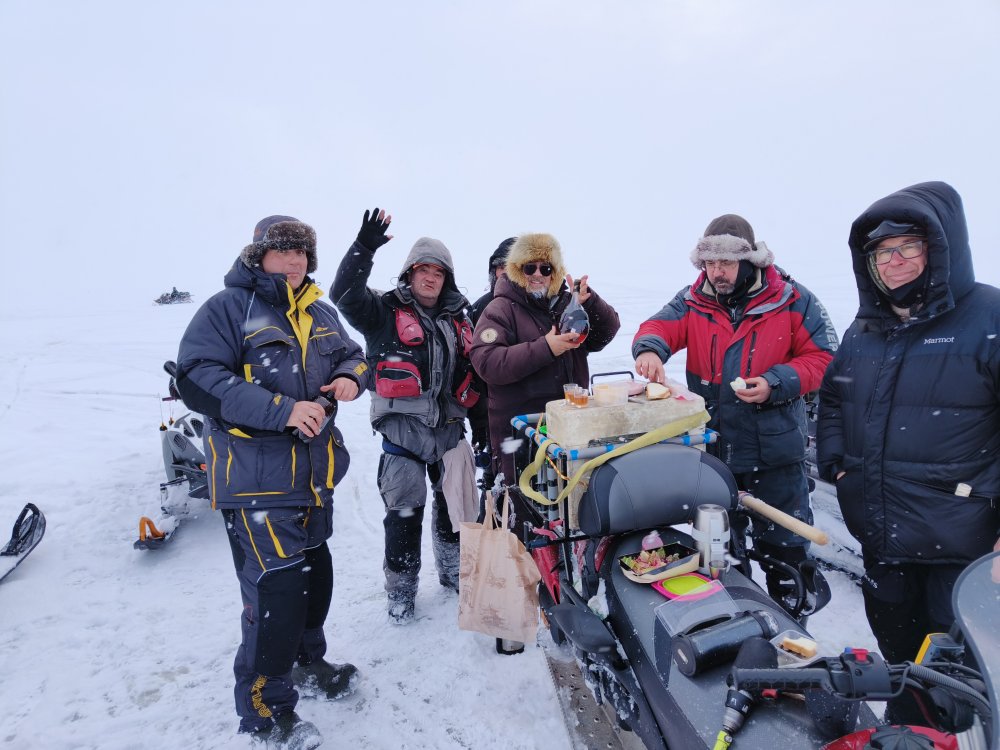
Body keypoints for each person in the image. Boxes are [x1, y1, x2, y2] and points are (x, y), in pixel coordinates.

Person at [175, 215, 372, 745]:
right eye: (283, 251)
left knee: (315, 580)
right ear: (258, 256)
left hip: (314, 478)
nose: (294, 261)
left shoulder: (319, 310)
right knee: (276, 595)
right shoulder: (228, 308)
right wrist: (282, 410)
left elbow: (357, 356)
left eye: (302, 253)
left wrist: (350, 377)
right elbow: (196, 378)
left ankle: (309, 662)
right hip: (255, 482)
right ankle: (265, 707)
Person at [817, 181, 1000, 725]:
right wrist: (839, 467)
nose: (893, 262)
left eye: (907, 247)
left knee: (963, 680)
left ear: (939, 249)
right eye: (881, 253)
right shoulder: (865, 329)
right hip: (883, 541)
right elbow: (833, 397)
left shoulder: (988, 317)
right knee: (900, 661)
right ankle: (906, 728)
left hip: (962, 550)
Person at [632, 215, 838, 603]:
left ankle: (792, 614)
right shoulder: (692, 299)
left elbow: (826, 358)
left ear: (749, 261)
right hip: (715, 453)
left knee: (785, 549)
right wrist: (649, 351)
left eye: (725, 262)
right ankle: (735, 615)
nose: (716, 272)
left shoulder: (793, 299)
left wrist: (776, 382)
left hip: (775, 455)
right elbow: (657, 327)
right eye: (709, 263)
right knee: (719, 552)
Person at [332, 208, 481, 625]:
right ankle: (401, 594)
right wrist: (363, 248)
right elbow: (343, 294)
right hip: (403, 436)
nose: (431, 278)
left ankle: (452, 575)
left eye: (439, 272)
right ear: (409, 273)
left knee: (453, 512)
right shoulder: (381, 311)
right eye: (423, 270)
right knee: (404, 517)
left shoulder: (459, 318)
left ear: (447, 278)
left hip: (449, 433)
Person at [470, 232, 621, 501]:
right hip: (521, 436)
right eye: (530, 268)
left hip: (569, 431)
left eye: (546, 268)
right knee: (526, 512)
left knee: (572, 505)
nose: (537, 274)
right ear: (518, 270)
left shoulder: (567, 304)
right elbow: (487, 362)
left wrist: (590, 302)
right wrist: (546, 348)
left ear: (555, 272)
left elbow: (605, 334)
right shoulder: (500, 309)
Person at [468, 237, 516, 505]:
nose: (504, 273)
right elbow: (470, 368)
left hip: (532, 410)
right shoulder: (480, 307)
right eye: (500, 267)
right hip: (490, 410)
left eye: (511, 265)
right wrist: (477, 418)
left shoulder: (539, 307)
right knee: (495, 483)